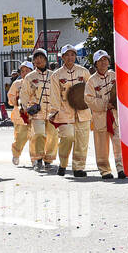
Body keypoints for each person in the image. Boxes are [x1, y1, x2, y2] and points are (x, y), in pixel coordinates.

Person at [51, 45, 93, 177]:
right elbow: (54, 95)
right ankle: (63, 163)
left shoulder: (84, 72)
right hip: (64, 112)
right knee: (68, 137)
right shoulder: (56, 75)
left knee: (82, 141)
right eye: (67, 55)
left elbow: (90, 91)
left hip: (83, 112)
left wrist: (91, 107)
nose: (70, 57)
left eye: (72, 54)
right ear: (62, 57)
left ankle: (78, 168)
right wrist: (54, 112)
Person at [85, 50, 125, 179]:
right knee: (101, 144)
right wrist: (104, 104)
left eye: (105, 60)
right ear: (96, 63)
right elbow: (89, 99)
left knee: (118, 141)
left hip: (116, 116)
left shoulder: (114, 75)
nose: (103, 62)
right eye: (100, 60)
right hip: (100, 117)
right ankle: (105, 170)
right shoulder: (91, 81)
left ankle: (121, 168)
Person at [20, 49, 59, 170]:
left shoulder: (53, 75)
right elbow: (24, 94)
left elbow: (59, 92)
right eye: (36, 58)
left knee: (53, 136)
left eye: (41, 57)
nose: (39, 60)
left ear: (46, 59)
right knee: (39, 134)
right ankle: (38, 159)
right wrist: (26, 108)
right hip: (37, 112)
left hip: (52, 111)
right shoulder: (29, 77)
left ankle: (49, 160)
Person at [6, 60, 33, 166]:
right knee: (20, 138)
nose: (24, 73)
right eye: (22, 71)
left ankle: (35, 159)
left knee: (35, 137)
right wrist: (16, 100)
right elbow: (10, 98)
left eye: (27, 71)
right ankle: (16, 154)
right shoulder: (16, 84)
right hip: (20, 116)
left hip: (35, 115)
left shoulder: (36, 82)